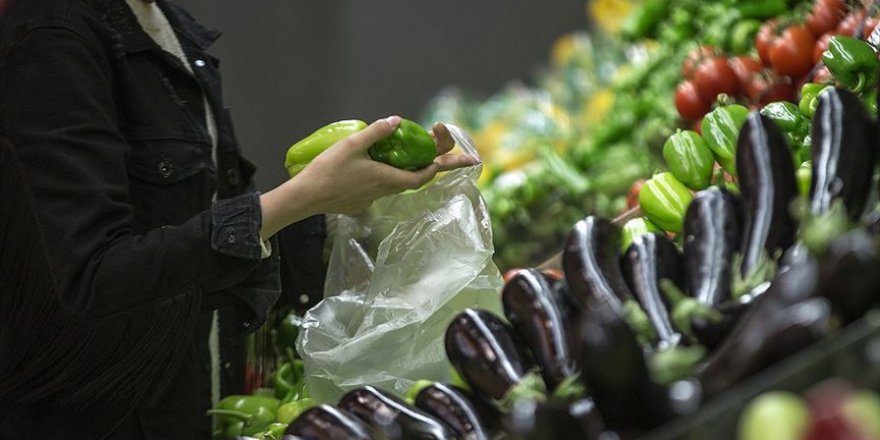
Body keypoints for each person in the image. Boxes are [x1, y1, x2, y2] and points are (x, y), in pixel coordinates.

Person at [0, 0, 476, 437]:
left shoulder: (157, 22)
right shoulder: (53, 38)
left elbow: (191, 227)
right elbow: (94, 277)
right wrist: (299, 198)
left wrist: (347, 200)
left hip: (187, 400)